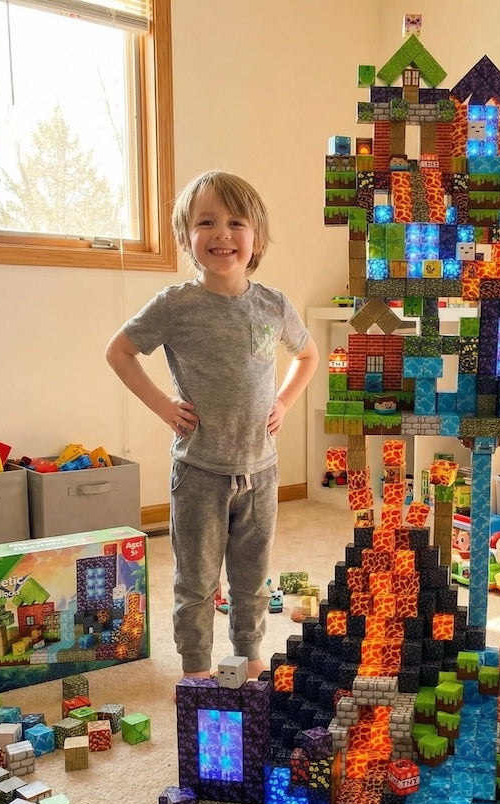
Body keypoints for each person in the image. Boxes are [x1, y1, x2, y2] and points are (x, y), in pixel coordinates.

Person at [105, 171, 319, 682]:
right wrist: (162, 405)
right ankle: (197, 669)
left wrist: (284, 401)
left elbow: (308, 355)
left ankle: (249, 655)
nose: (222, 233)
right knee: (197, 582)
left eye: (235, 222)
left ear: (256, 239)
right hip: (199, 470)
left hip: (260, 471)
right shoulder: (175, 305)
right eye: (206, 222)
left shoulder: (273, 305)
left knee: (252, 580)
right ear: (187, 238)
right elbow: (119, 351)